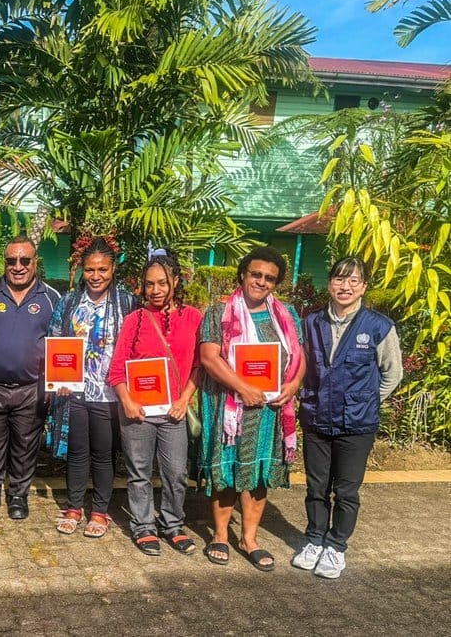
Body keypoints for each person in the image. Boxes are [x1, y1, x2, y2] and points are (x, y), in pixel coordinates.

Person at [291, 256, 402, 578]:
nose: (346, 286)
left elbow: (391, 375)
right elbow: (300, 366)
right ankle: (314, 540)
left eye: (354, 281)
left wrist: (364, 402)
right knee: (316, 487)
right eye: (340, 279)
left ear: (364, 287)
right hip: (316, 420)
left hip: (357, 425)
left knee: (347, 491)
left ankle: (336, 546)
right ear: (330, 283)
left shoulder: (379, 326)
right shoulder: (312, 322)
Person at [197, 246, 305, 571]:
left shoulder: (287, 315)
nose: (261, 281)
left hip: (270, 413)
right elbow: (208, 357)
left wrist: (293, 385)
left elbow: (299, 357)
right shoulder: (219, 313)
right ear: (243, 274)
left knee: (258, 475)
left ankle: (249, 538)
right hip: (229, 409)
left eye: (269, 278)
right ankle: (219, 535)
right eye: (256, 274)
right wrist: (243, 388)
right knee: (227, 471)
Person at [109, 249, 202, 554]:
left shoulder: (193, 318)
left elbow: (199, 365)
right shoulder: (135, 319)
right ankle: (143, 526)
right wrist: (127, 401)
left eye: (162, 283)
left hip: (174, 412)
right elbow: (117, 368)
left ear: (176, 281)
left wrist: (185, 399)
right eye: (149, 284)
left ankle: (173, 524)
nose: (156, 290)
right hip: (138, 412)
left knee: (176, 473)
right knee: (139, 472)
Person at [0, 236, 61, 520]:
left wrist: (55, 382)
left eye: (24, 260)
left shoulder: (51, 298)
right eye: (11, 261)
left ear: (35, 263)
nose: (17, 266)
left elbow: (61, 344)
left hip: (32, 389)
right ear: (4, 262)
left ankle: (18, 496)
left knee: (25, 445)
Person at [47, 236, 136, 537]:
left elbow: (135, 347)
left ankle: (99, 511)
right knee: (77, 450)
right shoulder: (69, 301)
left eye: (102, 269)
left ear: (113, 269)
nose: (96, 276)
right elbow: (55, 338)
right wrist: (57, 377)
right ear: (82, 270)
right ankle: (73, 507)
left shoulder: (126, 302)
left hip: (110, 393)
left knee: (104, 453)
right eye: (89, 270)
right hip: (75, 390)